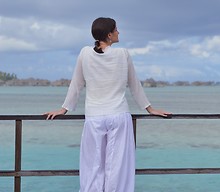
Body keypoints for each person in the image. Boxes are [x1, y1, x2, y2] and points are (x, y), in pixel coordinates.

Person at [44, 17, 171, 192]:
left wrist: (64, 109)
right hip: (118, 115)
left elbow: (77, 84)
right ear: (109, 35)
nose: (119, 32)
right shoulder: (123, 54)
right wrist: (149, 109)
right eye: (117, 29)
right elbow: (134, 85)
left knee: (92, 167)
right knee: (118, 168)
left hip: (94, 117)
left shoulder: (85, 53)